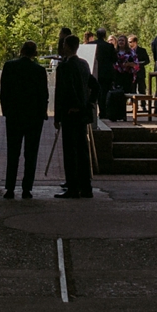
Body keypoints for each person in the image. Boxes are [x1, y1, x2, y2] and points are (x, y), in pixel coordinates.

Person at [0, 41, 49, 199]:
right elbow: (43, 95)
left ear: (21, 51)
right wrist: (43, 113)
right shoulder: (40, 71)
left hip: (14, 116)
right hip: (34, 117)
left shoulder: (9, 66)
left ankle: (10, 188)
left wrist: (6, 111)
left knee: (13, 152)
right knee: (31, 153)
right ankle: (27, 188)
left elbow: (4, 91)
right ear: (34, 53)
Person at [53, 34, 97, 198]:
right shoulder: (84, 64)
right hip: (83, 114)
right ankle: (86, 187)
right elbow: (94, 85)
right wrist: (88, 102)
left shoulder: (64, 67)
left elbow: (63, 92)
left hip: (70, 114)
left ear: (66, 46)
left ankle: (72, 187)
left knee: (70, 152)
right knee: (82, 150)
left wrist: (58, 116)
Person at [93, 27, 118, 114]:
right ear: (104, 36)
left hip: (94, 72)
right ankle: (103, 111)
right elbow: (115, 59)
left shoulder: (90, 44)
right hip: (106, 73)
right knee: (104, 92)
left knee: (93, 92)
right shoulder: (109, 46)